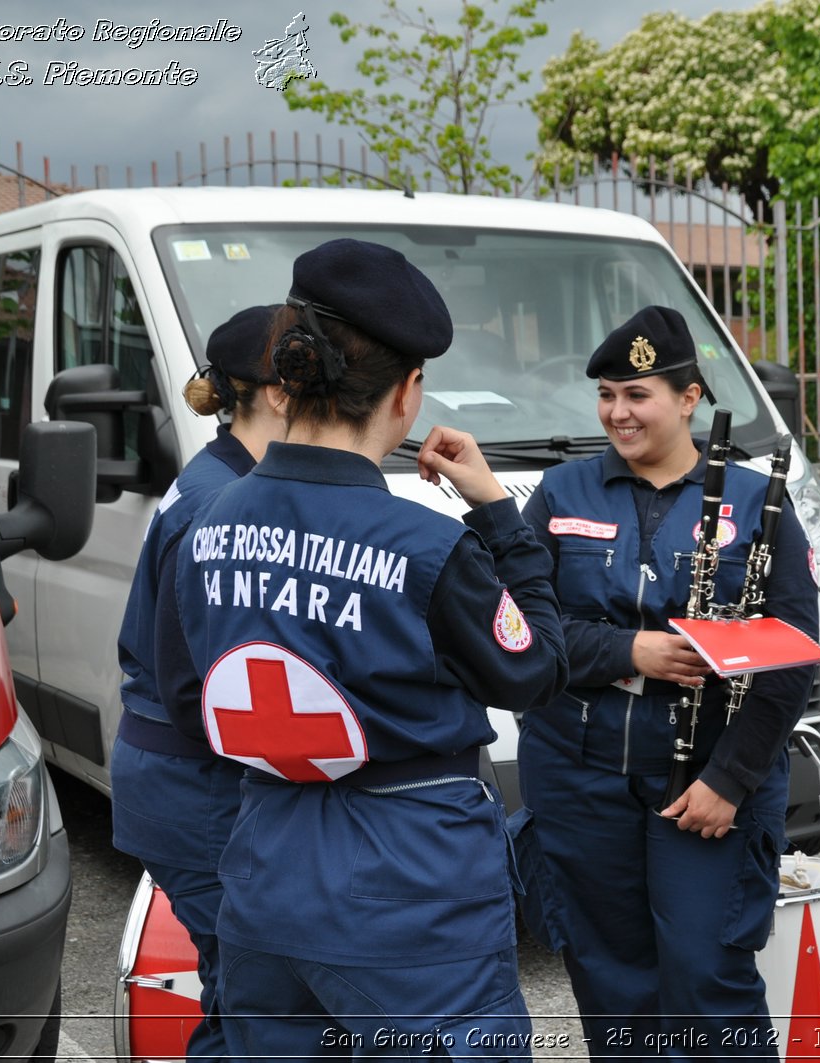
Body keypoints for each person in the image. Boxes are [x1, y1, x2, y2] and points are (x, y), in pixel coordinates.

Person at [154, 238, 568, 1059]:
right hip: (413, 890)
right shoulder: (428, 547)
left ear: (292, 372)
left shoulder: (207, 522)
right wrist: (497, 514)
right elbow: (535, 668)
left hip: (265, 870)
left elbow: (185, 695)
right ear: (408, 392)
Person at [515, 305, 820, 1058]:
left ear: (689, 397)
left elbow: (789, 658)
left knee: (706, 978)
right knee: (611, 984)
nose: (618, 412)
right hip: (581, 780)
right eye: (607, 394)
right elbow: (522, 632)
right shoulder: (561, 495)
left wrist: (733, 777)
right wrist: (631, 651)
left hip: (705, 786)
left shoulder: (757, 503)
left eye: (637, 394)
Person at [110, 303, 284, 1062]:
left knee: (243, 989)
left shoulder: (224, 475)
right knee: (253, 998)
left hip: (179, 778)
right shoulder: (222, 502)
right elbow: (203, 689)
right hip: (195, 786)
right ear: (279, 392)